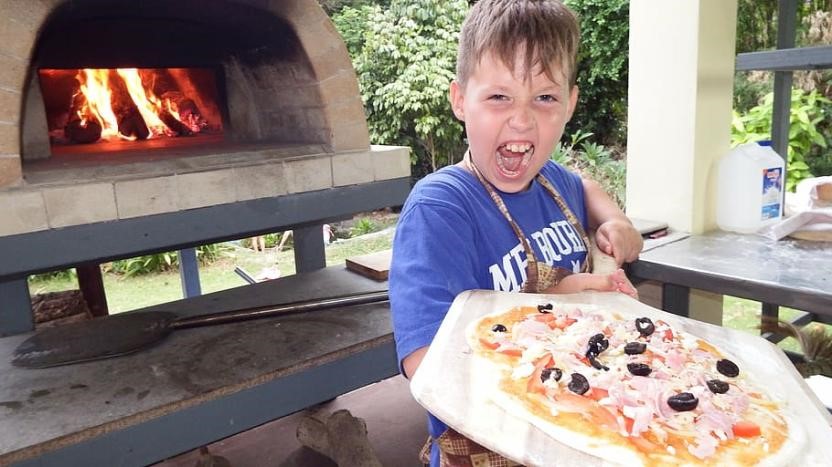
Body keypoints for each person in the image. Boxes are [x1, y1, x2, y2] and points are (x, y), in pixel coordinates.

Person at [388, 1, 643, 465]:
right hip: (489, 445)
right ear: (460, 100)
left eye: (544, 98)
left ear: (569, 104)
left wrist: (616, 222)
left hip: (580, 428)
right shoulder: (441, 207)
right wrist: (561, 304)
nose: (522, 120)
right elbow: (425, 365)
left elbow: (587, 187)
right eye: (499, 97)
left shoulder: (556, 183)